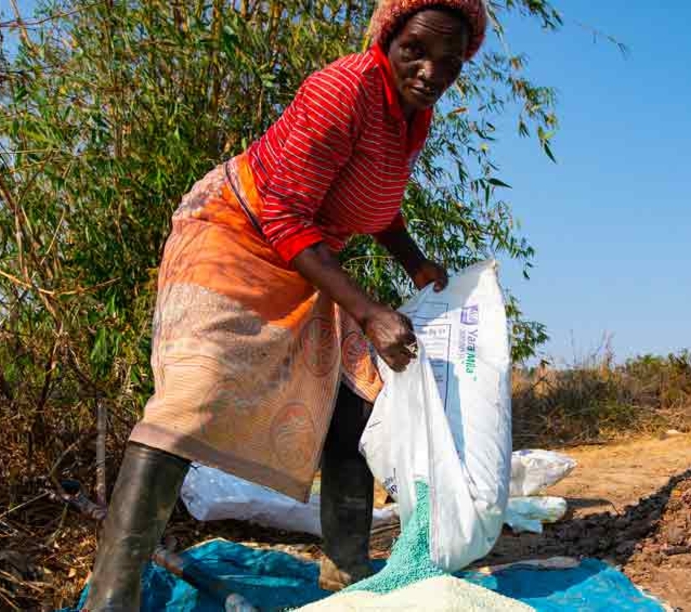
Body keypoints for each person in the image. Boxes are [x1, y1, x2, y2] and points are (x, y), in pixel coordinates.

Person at [80, 0, 488, 609]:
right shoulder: (342, 90)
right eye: (416, 51)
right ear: (387, 39)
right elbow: (284, 213)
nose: (431, 71)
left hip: (304, 253)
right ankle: (116, 594)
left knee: (359, 396)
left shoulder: (411, 116)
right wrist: (370, 313)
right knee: (194, 394)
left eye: (448, 61)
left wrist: (413, 260)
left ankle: (347, 566)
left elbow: (370, 197)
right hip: (233, 232)